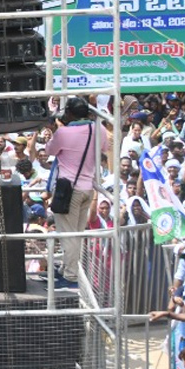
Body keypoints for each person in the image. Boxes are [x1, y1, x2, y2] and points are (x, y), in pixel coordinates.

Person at [45, 98, 110, 287]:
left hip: (68, 191)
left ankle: (71, 276)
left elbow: (50, 150)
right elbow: (105, 148)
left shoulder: (64, 133)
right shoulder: (100, 129)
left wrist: (55, 130)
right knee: (77, 234)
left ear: (70, 114)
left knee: (68, 235)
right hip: (87, 189)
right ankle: (67, 270)